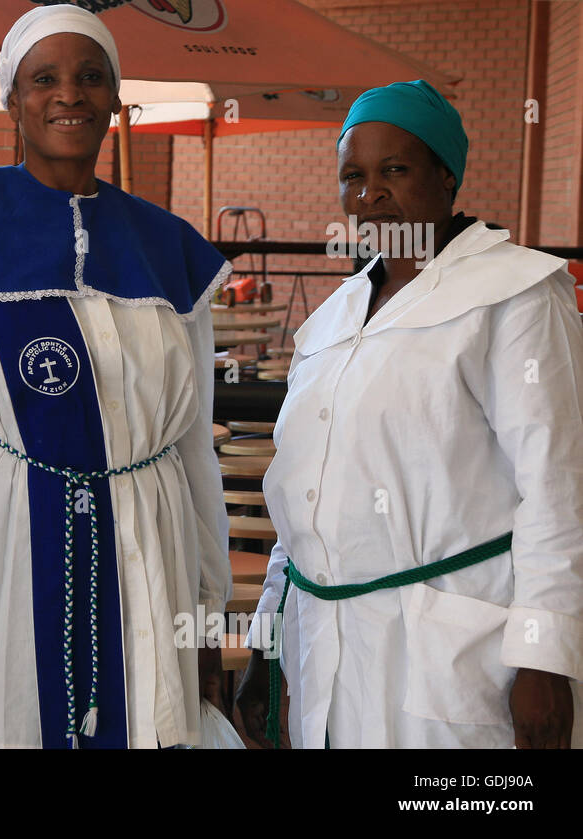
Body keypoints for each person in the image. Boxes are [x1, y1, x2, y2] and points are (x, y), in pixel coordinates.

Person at [0, 5, 232, 749]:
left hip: (144, 551)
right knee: (4, 720)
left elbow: (193, 450)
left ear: (115, 100)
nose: (70, 95)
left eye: (91, 78)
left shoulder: (167, 251)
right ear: (13, 100)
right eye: (46, 79)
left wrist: (206, 610)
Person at [235, 80, 583, 749]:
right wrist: (267, 642)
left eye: (395, 169)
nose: (370, 195)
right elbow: (301, 499)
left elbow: (558, 488)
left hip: (452, 659)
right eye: (353, 176)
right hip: (324, 649)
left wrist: (546, 656)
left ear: (446, 175)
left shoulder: (514, 296)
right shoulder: (331, 318)